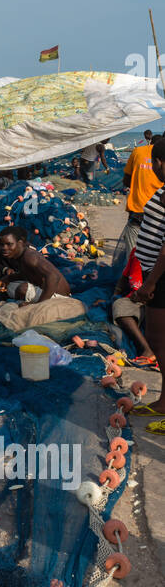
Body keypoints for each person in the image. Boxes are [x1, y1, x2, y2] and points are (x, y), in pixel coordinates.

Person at [127, 138, 165, 417]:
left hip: (162, 277)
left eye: (156, 162)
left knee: (159, 339)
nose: (153, 167)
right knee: (157, 338)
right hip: (156, 274)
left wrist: (151, 282)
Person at [0, 225, 71, 303]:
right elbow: (26, 274)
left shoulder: (29, 256)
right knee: (8, 287)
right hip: (44, 289)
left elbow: (54, 276)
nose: (4, 248)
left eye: (9, 244)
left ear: (20, 243)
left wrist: (39, 305)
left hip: (59, 297)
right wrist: (7, 279)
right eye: (2, 244)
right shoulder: (20, 256)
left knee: (22, 289)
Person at [112, 134, 162, 271]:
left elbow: (126, 179)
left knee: (135, 257)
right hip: (155, 216)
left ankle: (135, 283)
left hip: (138, 211)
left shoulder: (138, 151)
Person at [111, 259, 156, 367]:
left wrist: (146, 294)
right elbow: (124, 277)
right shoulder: (136, 253)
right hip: (135, 300)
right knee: (119, 305)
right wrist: (115, 294)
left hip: (157, 302)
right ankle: (146, 349)